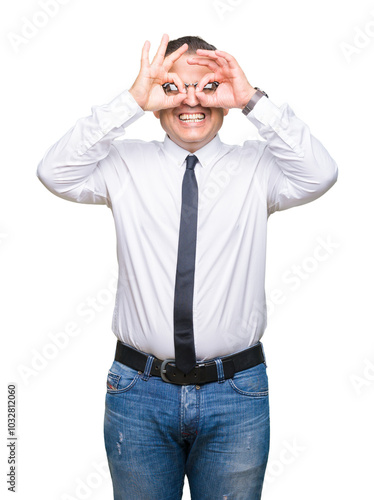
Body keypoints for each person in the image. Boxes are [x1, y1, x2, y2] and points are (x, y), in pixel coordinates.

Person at [36, 33, 338, 500]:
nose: (190, 101)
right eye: (174, 87)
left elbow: (321, 172)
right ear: (157, 103)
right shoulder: (123, 164)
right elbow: (54, 171)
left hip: (235, 393)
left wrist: (254, 100)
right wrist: (130, 101)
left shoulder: (259, 168)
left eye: (207, 87)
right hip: (138, 392)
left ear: (226, 98)